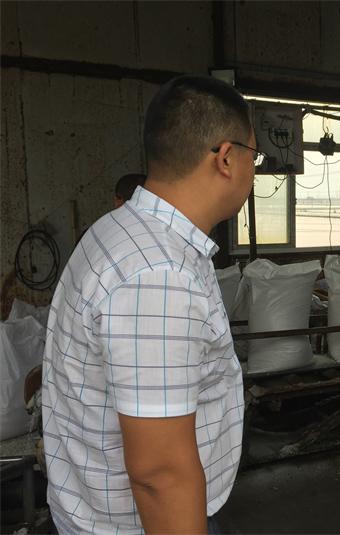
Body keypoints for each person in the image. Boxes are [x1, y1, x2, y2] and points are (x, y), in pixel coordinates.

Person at [42, 75, 260, 534]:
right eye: (253, 157)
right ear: (225, 158)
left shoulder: (123, 230)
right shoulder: (158, 274)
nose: (253, 172)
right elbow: (160, 476)